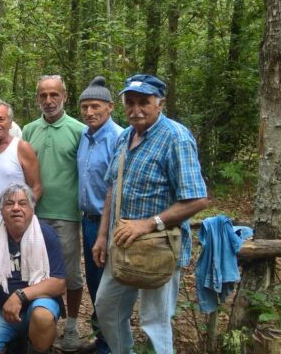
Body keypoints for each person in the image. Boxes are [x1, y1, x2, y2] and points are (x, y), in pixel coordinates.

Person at [93, 74, 209, 354]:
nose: (136, 109)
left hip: (159, 248)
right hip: (121, 245)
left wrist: (148, 224)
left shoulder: (176, 138)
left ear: (160, 103)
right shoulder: (125, 136)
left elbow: (197, 199)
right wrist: (101, 236)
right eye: (130, 102)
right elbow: (112, 187)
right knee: (106, 307)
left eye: (144, 102)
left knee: (155, 322)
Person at [21, 74, 85, 350]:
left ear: (65, 96)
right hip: (32, 215)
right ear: (37, 98)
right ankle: (34, 321)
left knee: (69, 273)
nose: (49, 101)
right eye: (43, 95)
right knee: (30, 270)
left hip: (67, 214)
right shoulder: (28, 130)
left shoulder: (80, 130)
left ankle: (70, 326)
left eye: (54, 95)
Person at [0, 183, 66, 354]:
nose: (16, 208)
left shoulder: (46, 235)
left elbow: (59, 284)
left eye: (23, 203)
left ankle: (37, 348)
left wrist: (20, 296)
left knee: (41, 316)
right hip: (1, 309)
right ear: (1, 210)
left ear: (32, 209)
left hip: (38, 304)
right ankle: (16, 339)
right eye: (9, 203)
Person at [76, 76, 123, 354]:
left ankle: (112, 346)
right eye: (84, 107)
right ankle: (102, 340)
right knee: (94, 286)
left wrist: (105, 234)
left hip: (109, 225)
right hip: (87, 220)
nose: (89, 112)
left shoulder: (118, 138)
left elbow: (114, 186)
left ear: (110, 107)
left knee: (108, 290)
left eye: (95, 106)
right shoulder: (84, 135)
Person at [0, 100, 42, 232]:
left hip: (14, 228)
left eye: (1, 119)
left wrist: (23, 214)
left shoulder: (22, 148)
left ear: (10, 123)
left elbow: (37, 187)